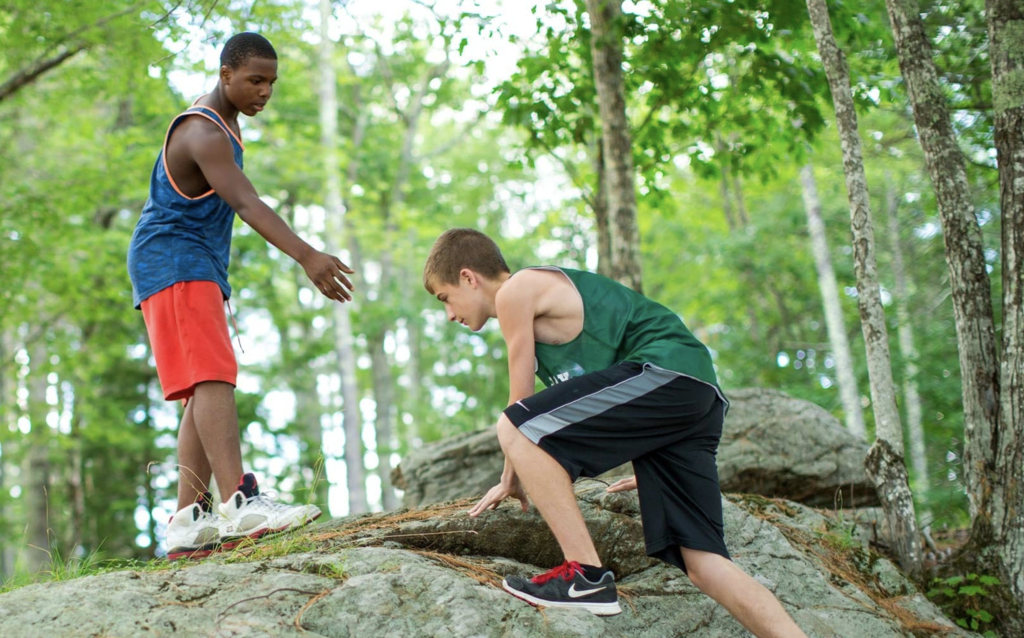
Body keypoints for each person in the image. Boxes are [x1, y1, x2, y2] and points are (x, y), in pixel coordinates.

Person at [422, 228, 808, 637]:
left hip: (667, 370)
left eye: (445, 298)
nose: (449, 314)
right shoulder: (545, 325)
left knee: (514, 425)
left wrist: (510, 475)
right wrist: (647, 457)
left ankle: (585, 576)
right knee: (703, 564)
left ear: (468, 277)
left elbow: (519, 407)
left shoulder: (517, 290)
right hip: (690, 398)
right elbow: (602, 408)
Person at [128, 32, 355, 560]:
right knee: (213, 373)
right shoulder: (203, 131)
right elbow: (247, 203)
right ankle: (239, 502)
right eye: (255, 80)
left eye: (271, 82)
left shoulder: (224, 124)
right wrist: (308, 256)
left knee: (201, 384)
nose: (265, 91)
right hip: (174, 259)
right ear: (225, 74)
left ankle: (188, 519)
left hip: (191, 262)